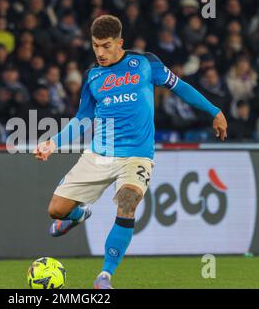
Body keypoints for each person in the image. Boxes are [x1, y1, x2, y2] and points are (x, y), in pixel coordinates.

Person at [33, 15, 228, 289]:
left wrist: (214, 110)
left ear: (120, 43)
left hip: (136, 156)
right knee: (56, 210)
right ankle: (79, 215)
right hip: (99, 155)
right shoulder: (92, 76)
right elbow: (82, 119)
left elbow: (180, 87)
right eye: (95, 46)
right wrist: (52, 143)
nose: (100, 52)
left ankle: (104, 276)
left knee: (127, 202)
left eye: (106, 45)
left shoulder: (146, 63)